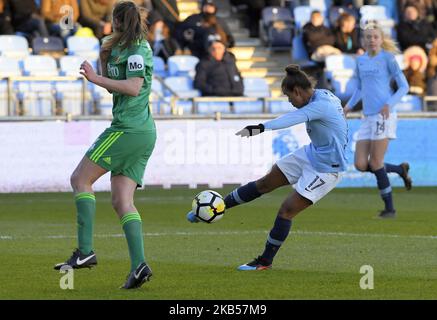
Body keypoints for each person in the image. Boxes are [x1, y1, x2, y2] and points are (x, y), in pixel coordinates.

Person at [188, 65, 349, 271]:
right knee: (265, 183)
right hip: (313, 153)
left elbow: (292, 119)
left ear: (297, 91)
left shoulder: (321, 105)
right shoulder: (322, 94)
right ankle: (217, 207)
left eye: (288, 96)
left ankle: (265, 261)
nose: (289, 101)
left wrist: (261, 127)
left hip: (327, 168)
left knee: (286, 211)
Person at [54, 1, 156, 290]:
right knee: (121, 201)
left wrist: (97, 77)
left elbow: (133, 87)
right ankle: (139, 266)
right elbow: (114, 82)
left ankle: (85, 252)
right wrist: (102, 59)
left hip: (128, 130)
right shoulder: (120, 47)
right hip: (141, 131)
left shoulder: (138, 49)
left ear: (120, 20)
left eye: (114, 19)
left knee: (79, 179)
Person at [344, 23, 412, 219]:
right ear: (363, 40)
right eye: (368, 37)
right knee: (360, 164)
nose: (371, 40)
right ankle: (399, 170)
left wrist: (388, 104)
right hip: (367, 117)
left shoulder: (388, 59)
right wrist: (348, 106)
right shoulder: (361, 61)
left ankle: (390, 209)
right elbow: (359, 88)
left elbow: (404, 86)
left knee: (375, 162)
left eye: (375, 36)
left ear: (381, 39)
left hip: (384, 115)